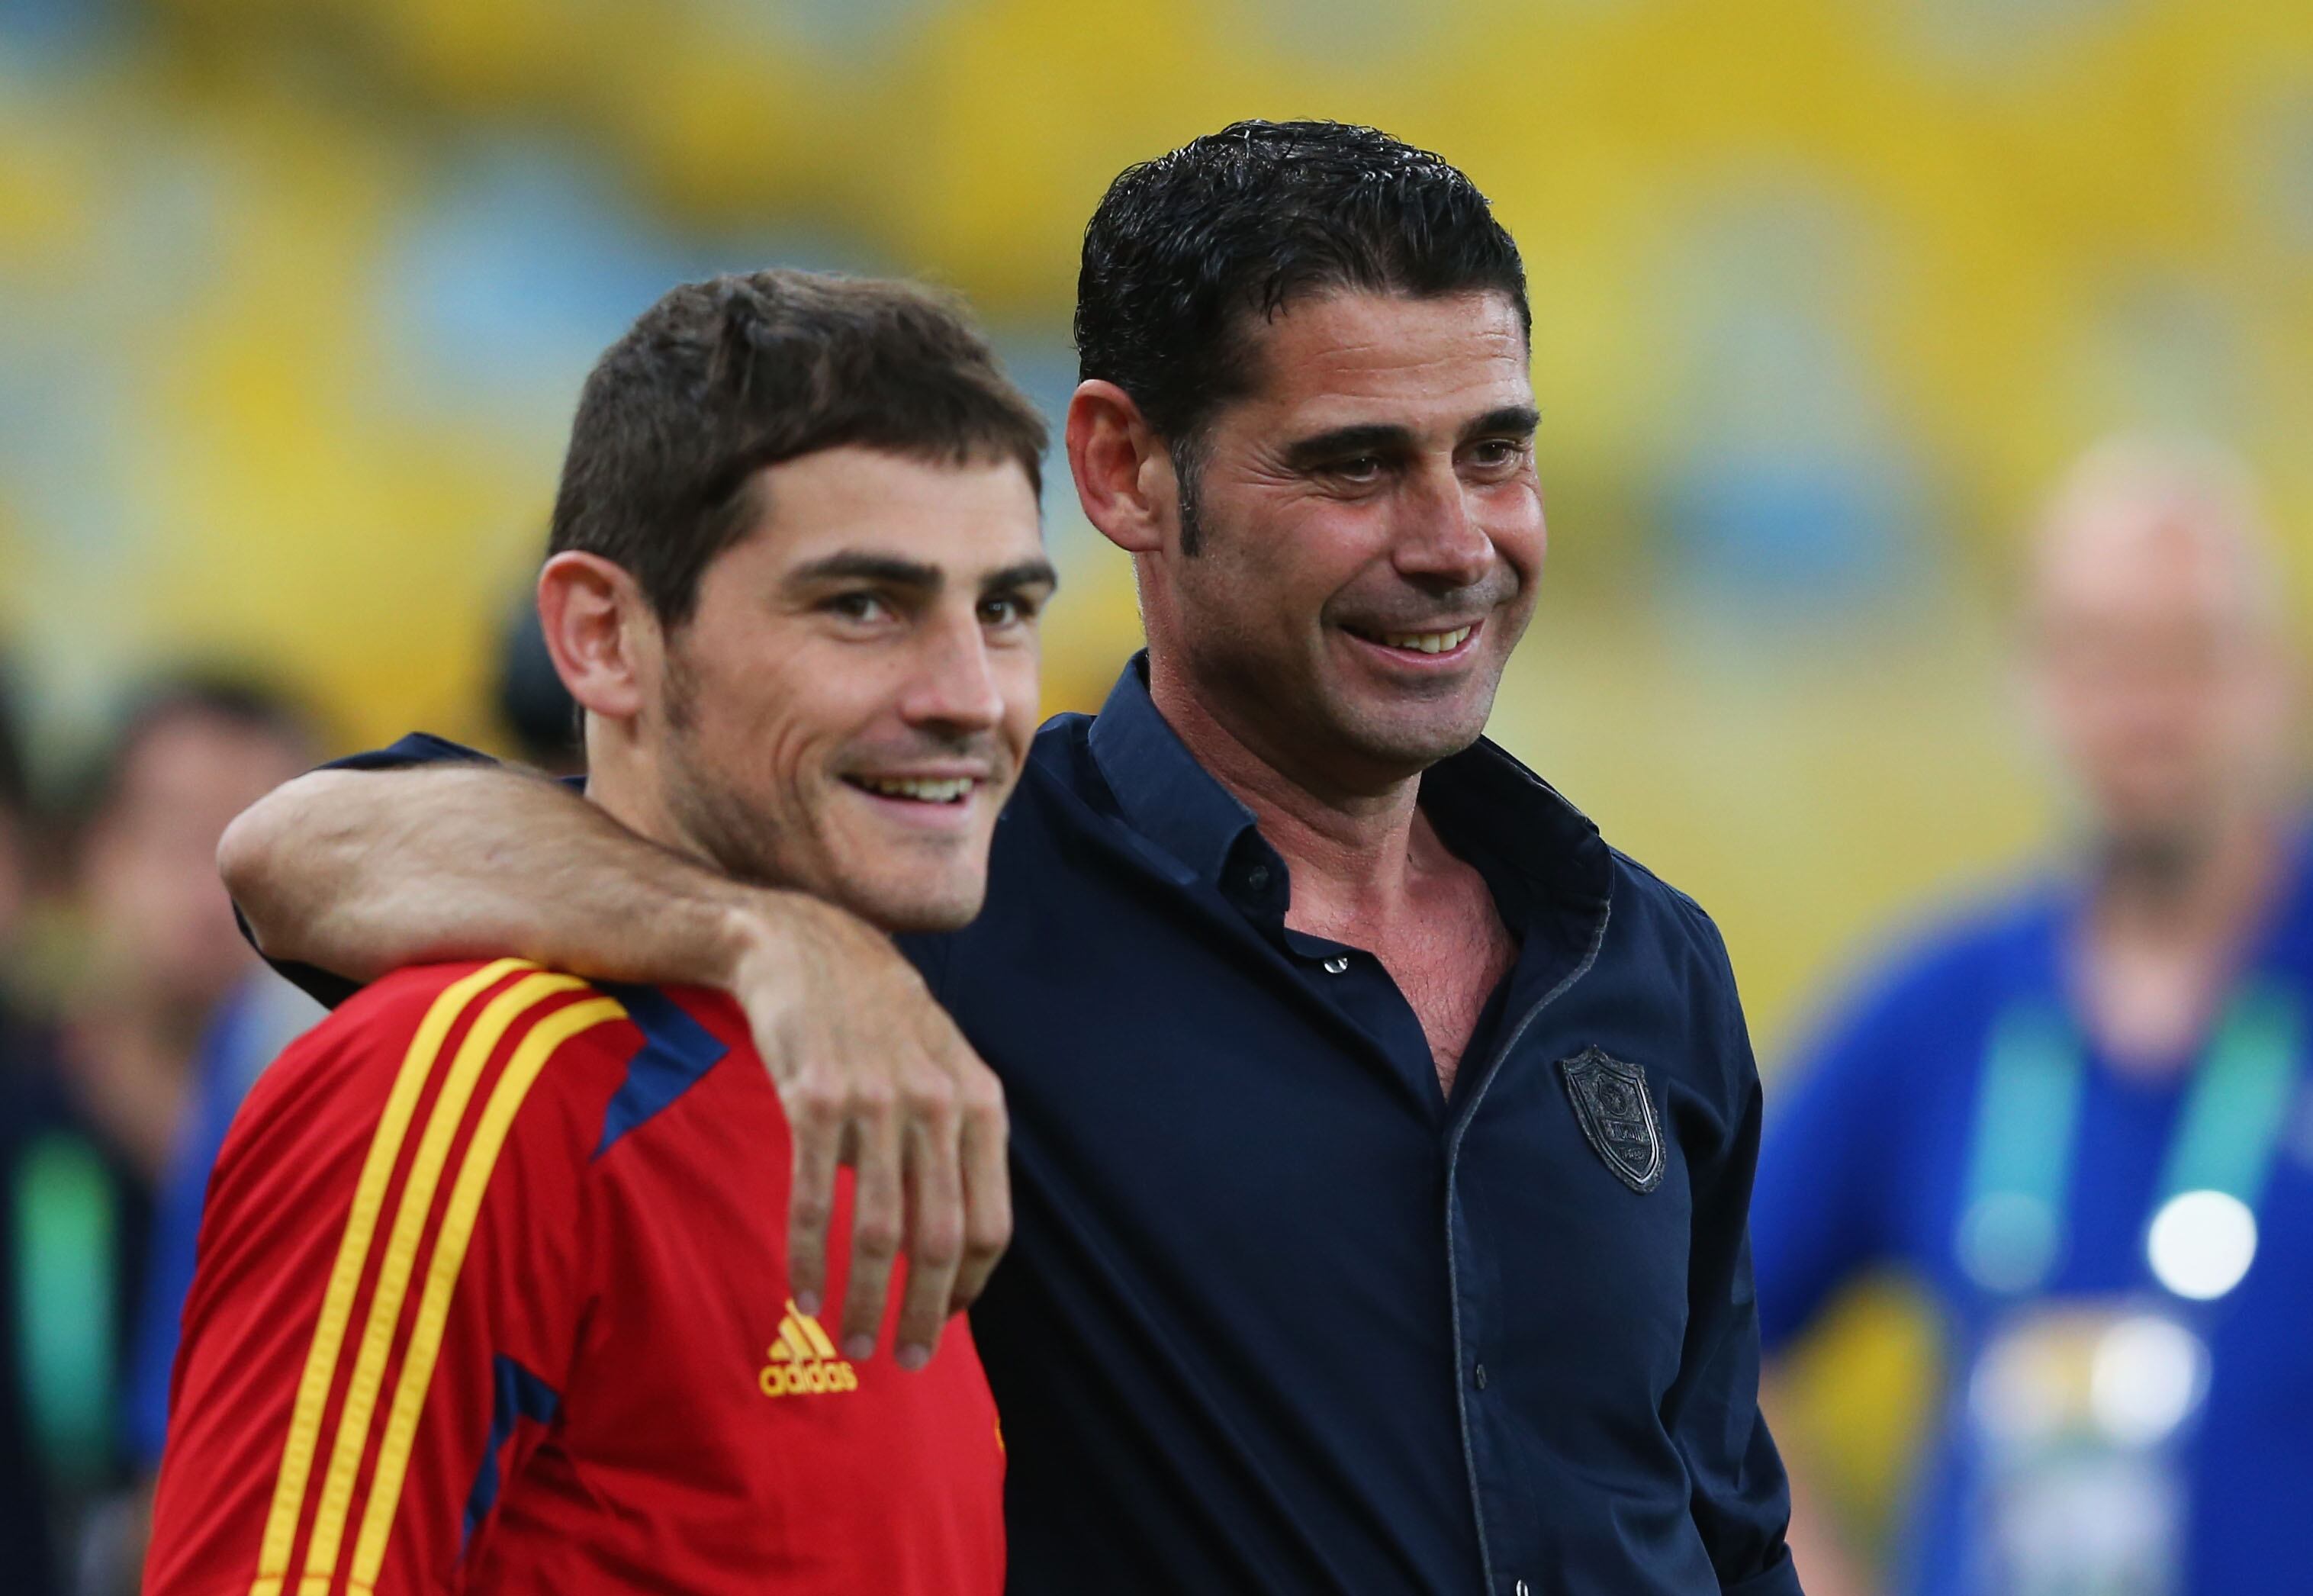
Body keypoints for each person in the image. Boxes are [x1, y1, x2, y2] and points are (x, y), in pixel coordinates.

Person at [221, 121, 1803, 1594]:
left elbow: (1724, 1519)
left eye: (1495, 453)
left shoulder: (1639, 956)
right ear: (1121, 470)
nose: (1454, 537)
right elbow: (302, 845)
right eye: (1352, 464)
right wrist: (776, 940)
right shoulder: (941, 889)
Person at [145, 271, 1049, 1593]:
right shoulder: (462, 1080)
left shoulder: (887, 1062)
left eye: (1007, 609)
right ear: (602, 637)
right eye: (862, 604)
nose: (971, 695)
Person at [1752, 439, 2311, 1596]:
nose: (2147, 708)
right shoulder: (1936, 1012)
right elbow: (1693, 1332)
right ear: (2037, 681)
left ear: (2275, 677)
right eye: (2103, 655)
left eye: (2190, 654)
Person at [0, 677, 315, 1596]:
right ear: (87, 855)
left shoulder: (357, 1157)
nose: (215, 884)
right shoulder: (23, 1130)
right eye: (178, 836)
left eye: (265, 839)